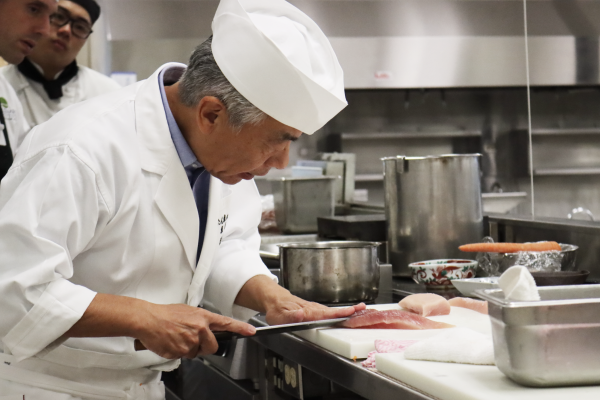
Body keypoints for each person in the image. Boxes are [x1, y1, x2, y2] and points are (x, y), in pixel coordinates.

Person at [0, 0, 357, 398]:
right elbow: (12, 287)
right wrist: (143, 317)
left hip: (141, 386)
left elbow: (224, 245)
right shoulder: (80, 148)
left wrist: (271, 296)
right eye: (277, 141)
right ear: (210, 114)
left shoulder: (220, 155)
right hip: (48, 387)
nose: (278, 163)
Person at [1, 0, 121, 128]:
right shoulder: (3, 84)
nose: (66, 30)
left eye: (80, 27)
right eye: (58, 17)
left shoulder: (108, 94)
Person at [0, 0, 57, 180]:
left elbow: (22, 174)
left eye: (51, 17)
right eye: (33, 9)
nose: (45, 30)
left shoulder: (5, 93)